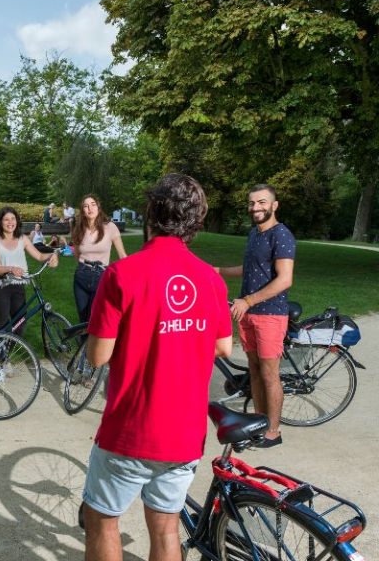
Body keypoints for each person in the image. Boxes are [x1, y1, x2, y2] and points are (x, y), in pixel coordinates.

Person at [80, 173, 233, 561]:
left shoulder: (122, 273)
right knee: (166, 527)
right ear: (196, 221)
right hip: (184, 432)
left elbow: (97, 356)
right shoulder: (209, 279)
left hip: (130, 430)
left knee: (102, 520)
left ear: (151, 212)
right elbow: (224, 346)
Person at [215, 184, 295, 448]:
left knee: (270, 374)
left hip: (269, 314)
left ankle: (273, 431)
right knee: (255, 371)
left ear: (274, 205)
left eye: (262, 202)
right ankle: (260, 423)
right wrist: (218, 270)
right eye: (251, 203)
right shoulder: (254, 234)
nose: (255, 208)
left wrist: (248, 300)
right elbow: (250, 269)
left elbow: (284, 279)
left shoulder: (281, 235)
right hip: (247, 313)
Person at [0, 207, 58, 335]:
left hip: (18, 286)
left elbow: (40, 256)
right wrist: (10, 269)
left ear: (17, 221)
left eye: (13, 219)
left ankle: (7, 351)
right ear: (0, 222)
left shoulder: (23, 239)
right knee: (3, 325)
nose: (10, 222)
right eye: (6, 219)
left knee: (19, 324)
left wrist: (52, 255)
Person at [72, 194, 127, 322]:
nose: (90, 208)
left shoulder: (110, 227)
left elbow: (122, 255)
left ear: (98, 207)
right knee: (83, 320)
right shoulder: (78, 229)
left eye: (93, 204)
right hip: (81, 276)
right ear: (83, 211)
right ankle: (83, 342)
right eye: (86, 206)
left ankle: (92, 342)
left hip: (101, 277)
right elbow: (77, 253)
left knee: (95, 319)